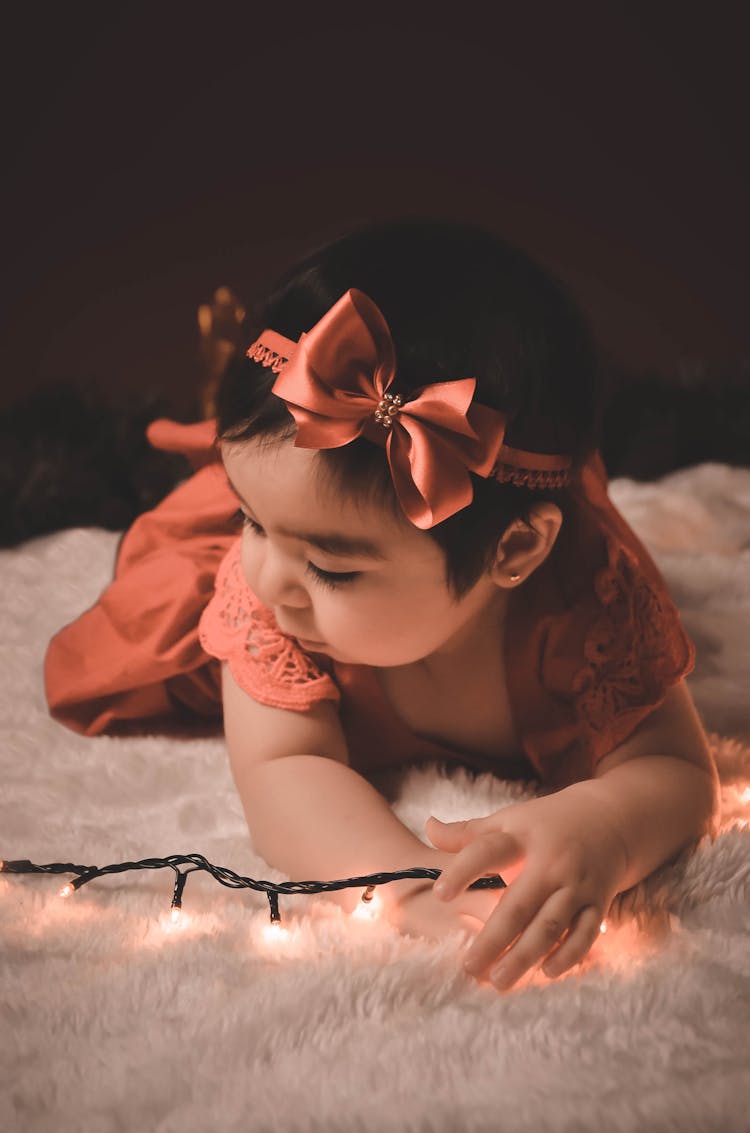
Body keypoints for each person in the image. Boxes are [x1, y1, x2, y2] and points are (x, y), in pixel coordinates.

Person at [44, 219, 719, 991]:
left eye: (331, 568)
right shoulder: (273, 594)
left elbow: (674, 767)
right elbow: (283, 764)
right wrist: (401, 876)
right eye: (250, 522)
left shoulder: (587, 602)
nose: (268, 578)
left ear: (515, 555)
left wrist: (604, 824)